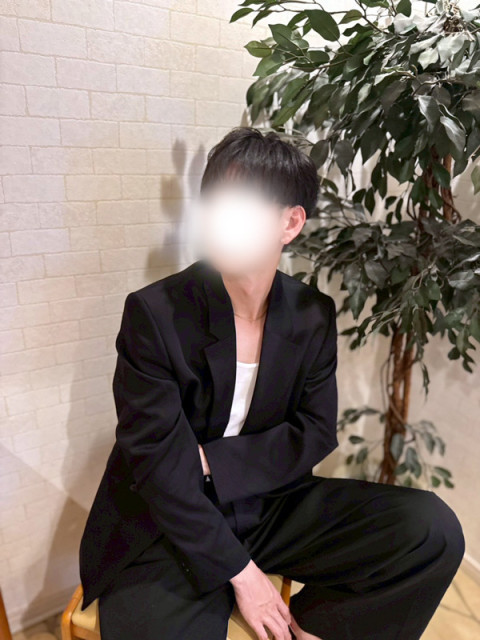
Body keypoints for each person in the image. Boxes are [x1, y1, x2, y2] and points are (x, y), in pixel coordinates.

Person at [78, 127, 465, 640]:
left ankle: (313, 629)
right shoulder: (155, 313)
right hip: (167, 521)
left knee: (430, 530)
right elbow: (159, 467)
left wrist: (211, 460)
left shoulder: (311, 314)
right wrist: (243, 575)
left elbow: (315, 432)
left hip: (268, 504)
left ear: (290, 222)